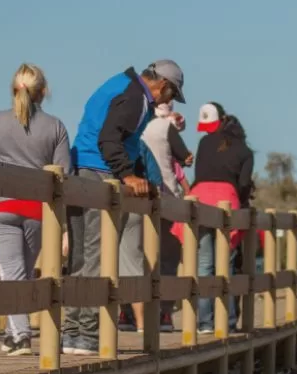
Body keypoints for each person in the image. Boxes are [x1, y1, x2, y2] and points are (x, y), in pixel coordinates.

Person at [63, 60, 186, 355]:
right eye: (171, 95)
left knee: (80, 256)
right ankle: (88, 335)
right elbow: (110, 139)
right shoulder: (136, 96)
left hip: (80, 170)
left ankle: (71, 332)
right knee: (98, 254)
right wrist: (127, 175)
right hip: (100, 174)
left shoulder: (120, 84)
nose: (167, 101)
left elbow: (118, 140)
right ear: (163, 86)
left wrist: (137, 172)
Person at [0, 63, 72, 356]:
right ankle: (12, 333)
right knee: (22, 271)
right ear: (43, 92)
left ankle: (20, 336)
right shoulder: (55, 126)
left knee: (13, 272)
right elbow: (63, 174)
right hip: (37, 209)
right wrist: (65, 225)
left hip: (1, 204)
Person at [189, 102, 255, 333]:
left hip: (200, 197)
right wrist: (242, 199)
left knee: (204, 263)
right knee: (225, 265)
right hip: (227, 200)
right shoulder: (244, 151)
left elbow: (199, 173)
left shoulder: (205, 142)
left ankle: (204, 323)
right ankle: (226, 322)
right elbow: (244, 184)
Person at [140, 102, 194, 332]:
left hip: (137, 197)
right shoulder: (164, 127)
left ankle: (128, 313)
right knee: (167, 257)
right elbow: (186, 157)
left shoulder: (137, 124)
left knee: (136, 254)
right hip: (165, 196)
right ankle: (164, 314)